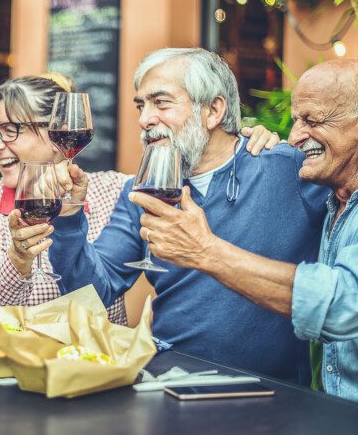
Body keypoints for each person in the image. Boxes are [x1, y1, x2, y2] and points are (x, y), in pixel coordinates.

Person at [27, 47, 328, 383]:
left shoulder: (287, 170)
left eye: (161, 102)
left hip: (273, 393)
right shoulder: (140, 191)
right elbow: (94, 291)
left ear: (213, 110)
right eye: (141, 106)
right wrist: (68, 217)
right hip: (169, 380)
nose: (144, 120)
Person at [0, 73, 276, 325]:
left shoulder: (117, 190)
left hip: (100, 370)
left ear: (56, 129)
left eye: (10, 130)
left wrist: (241, 144)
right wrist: (18, 261)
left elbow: (202, 190)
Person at [132, 58, 358, 401]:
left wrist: (205, 251)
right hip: (326, 409)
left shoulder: (292, 176)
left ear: (214, 111)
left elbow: (346, 304)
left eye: (312, 120)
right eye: (296, 121)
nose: (294, 137)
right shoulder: (331, 195)